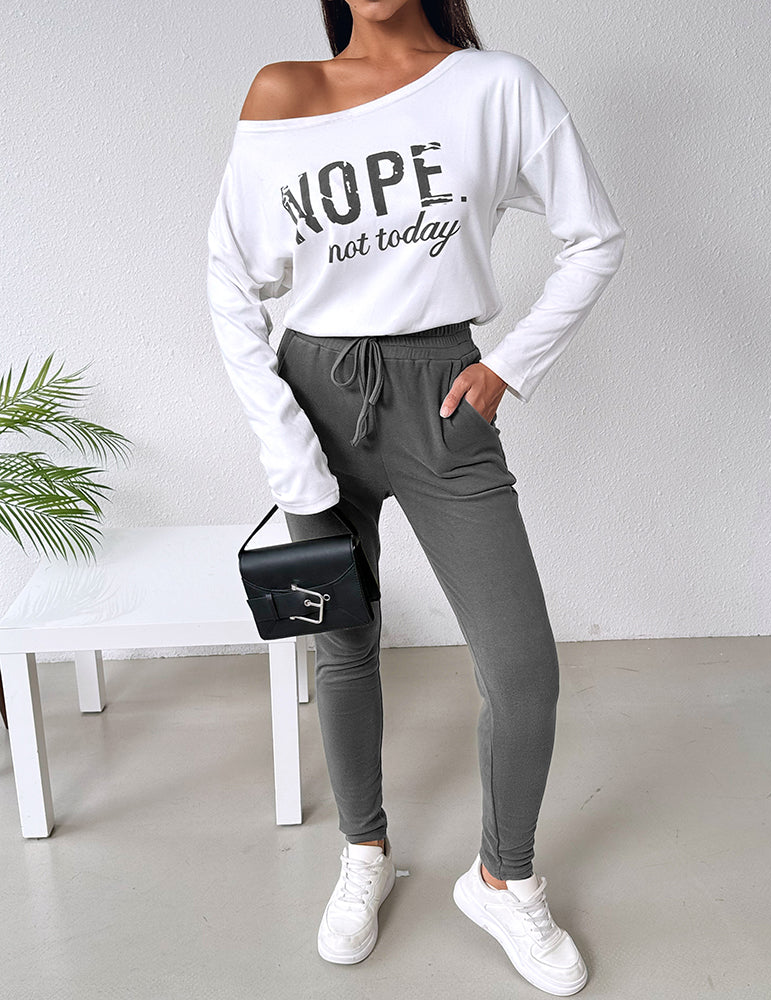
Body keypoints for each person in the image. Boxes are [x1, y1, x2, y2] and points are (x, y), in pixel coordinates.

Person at [206, 0, 624, 993]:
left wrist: (507, 365)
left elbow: (595, 237)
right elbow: (230, 282)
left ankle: (502, 877)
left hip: (444, 398)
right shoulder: (284, 92)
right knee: (342, 644)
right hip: (312, 396)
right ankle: (364, 852)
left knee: (521, 670)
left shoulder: (496, 86)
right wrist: (287, 450)